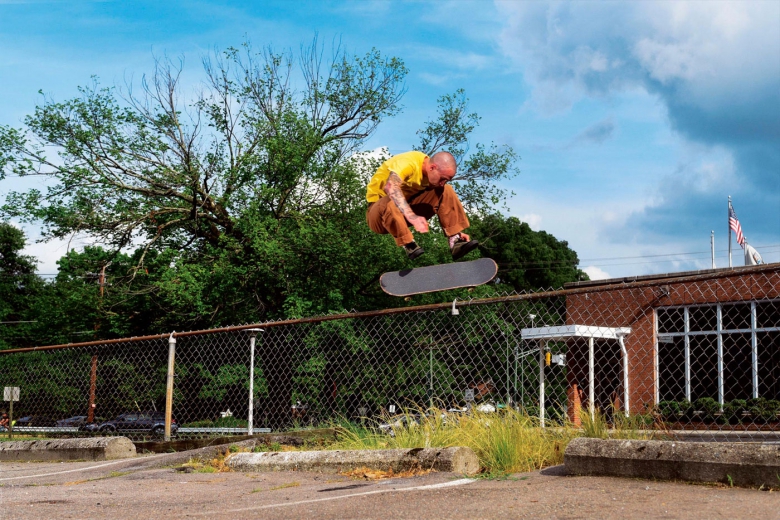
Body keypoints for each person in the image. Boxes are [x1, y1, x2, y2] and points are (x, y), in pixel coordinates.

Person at [366, 150, 479, 260]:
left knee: (446, 190)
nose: (442, 182)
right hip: (379, 217)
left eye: (447, 180)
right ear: (432, 168)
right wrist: (412, 217)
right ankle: (409, 244)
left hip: (404, 212)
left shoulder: (430, 173)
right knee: (390, 201)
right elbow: (391, 187)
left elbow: (443, 199)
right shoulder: (408, 163)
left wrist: (455, 229)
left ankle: (455, 240)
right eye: (442, 179)